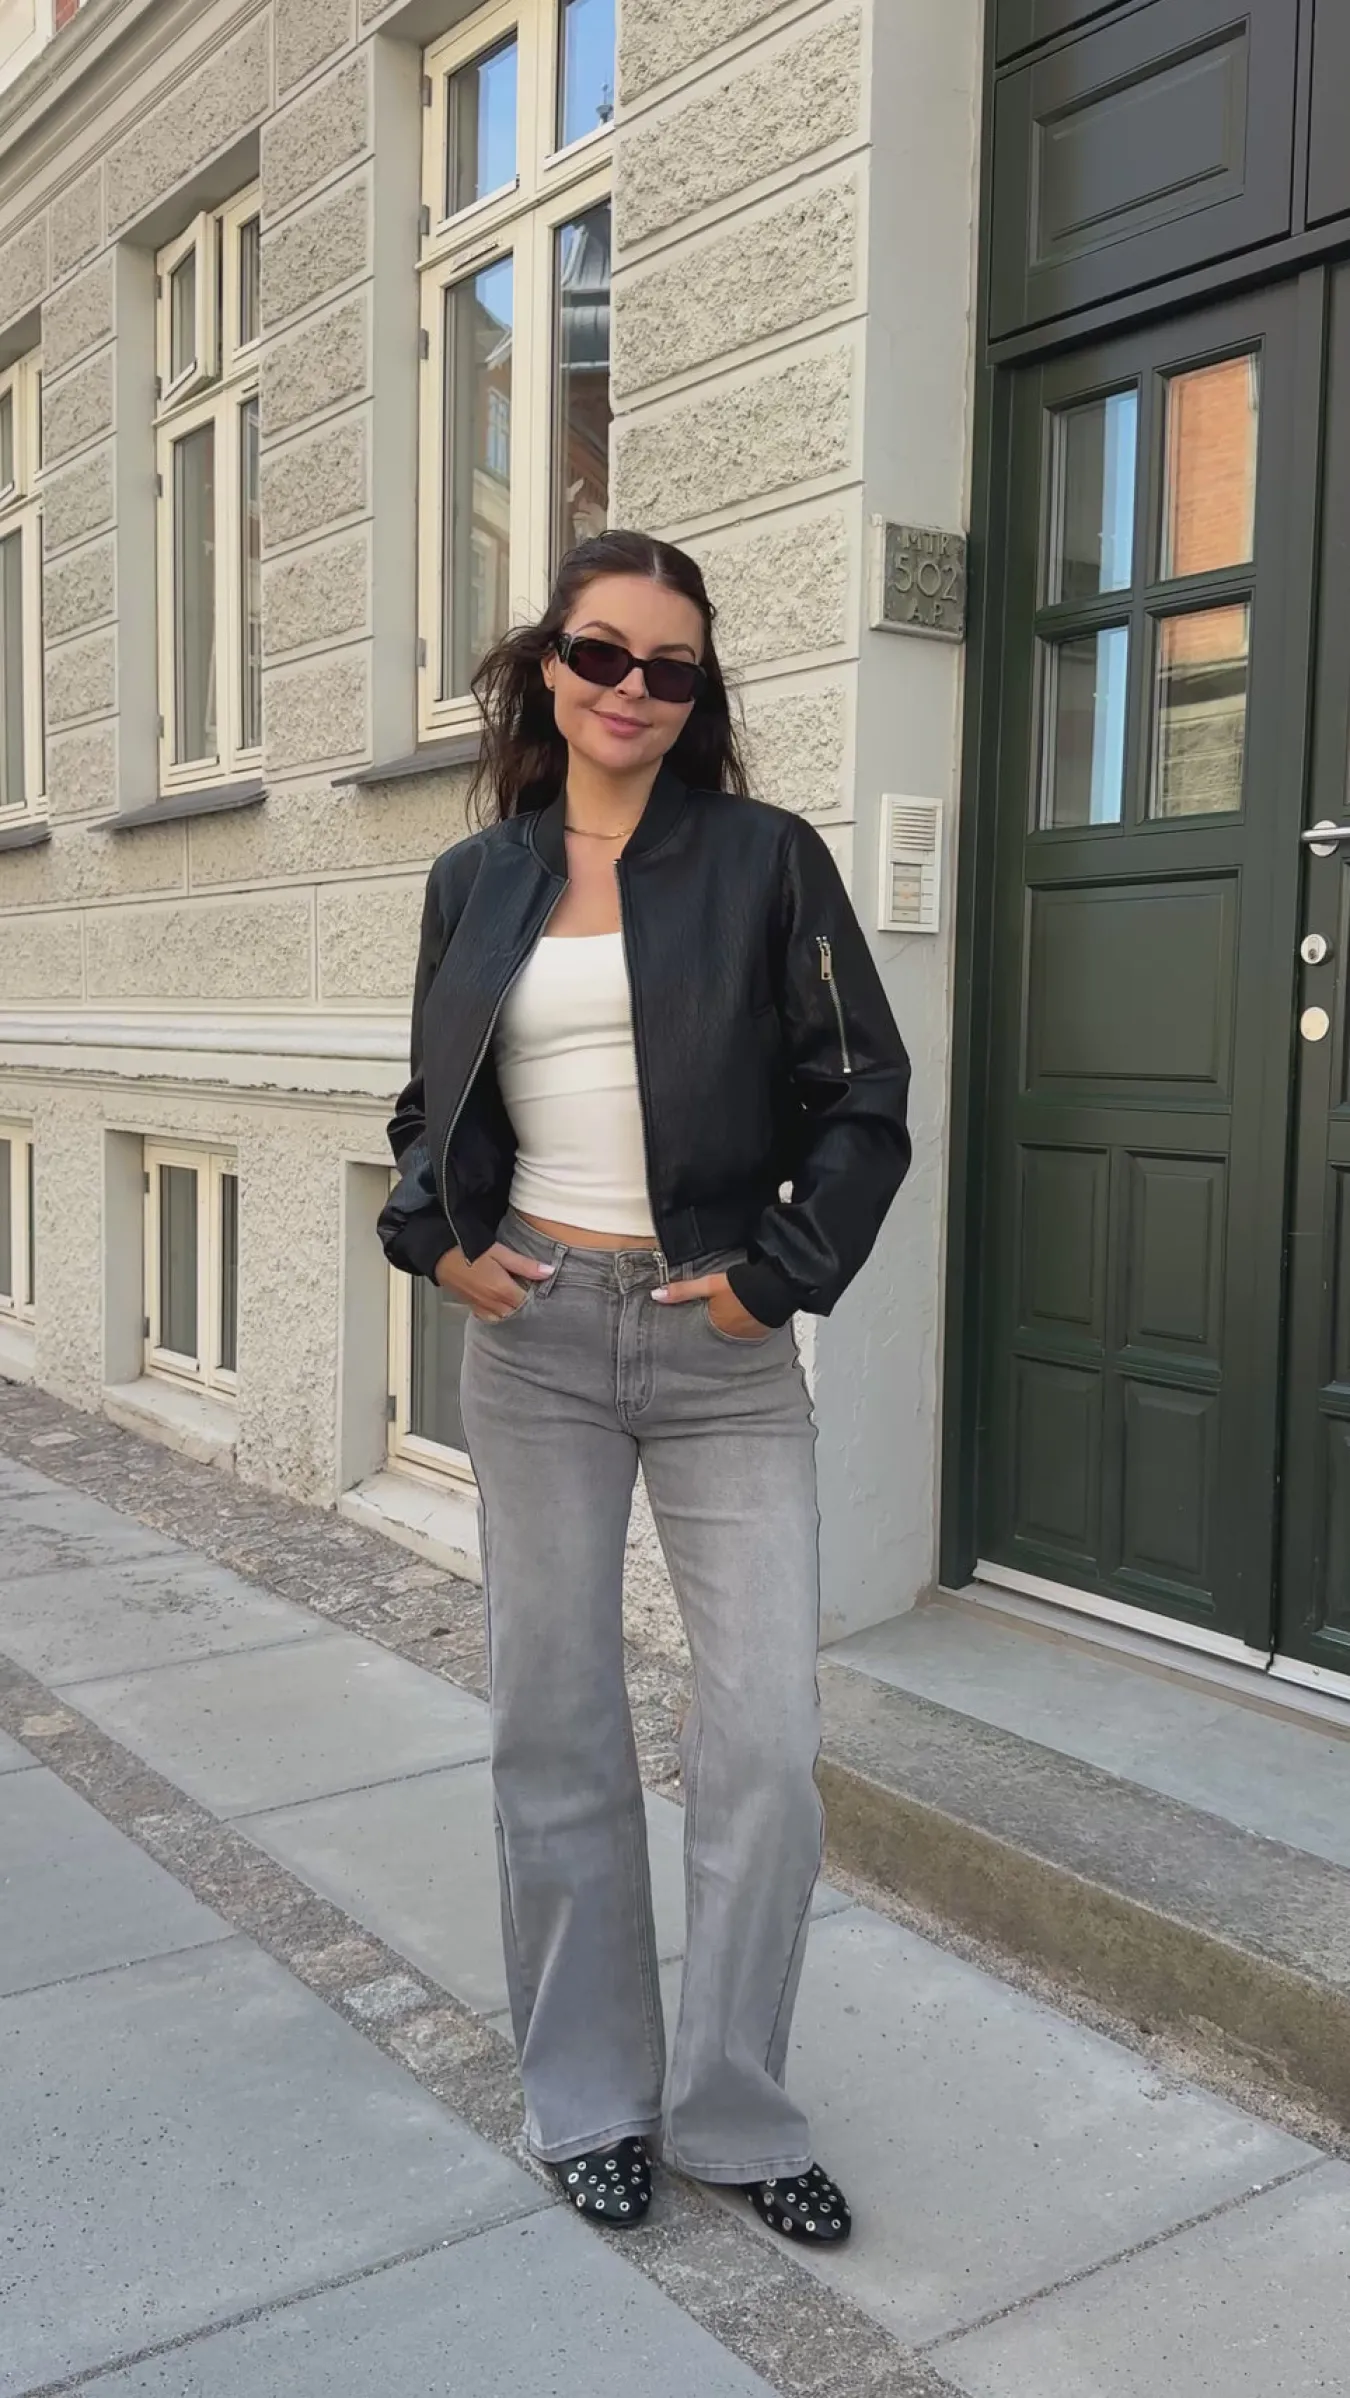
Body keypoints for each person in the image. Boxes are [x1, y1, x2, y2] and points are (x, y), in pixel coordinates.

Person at [379, 529, 911, 2241]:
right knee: (554, 1720)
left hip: (716, 1344)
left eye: (669, 667)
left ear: (697, 693)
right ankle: (590, 2096)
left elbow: (865, 1095)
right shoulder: (474, 879)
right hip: (534, 1336)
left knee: (761, 1740)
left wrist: (775, 1278)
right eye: (602, 653)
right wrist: (434, 1237)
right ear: (549, 664)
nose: (632, 688)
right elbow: (429, 1104)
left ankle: (735, 2113)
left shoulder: (766, 861)